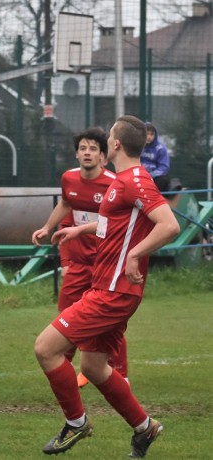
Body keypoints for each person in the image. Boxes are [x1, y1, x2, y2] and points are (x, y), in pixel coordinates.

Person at [34, 115, 180, 457]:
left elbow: (169, 225)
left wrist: (135, 255)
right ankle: (145, 428)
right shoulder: (122, 181)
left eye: (108, 134)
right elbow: (114, 222)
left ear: (114, 144)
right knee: (94, 367)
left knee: (46, 349)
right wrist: (78, 230)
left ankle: (76, 423)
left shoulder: (136, 181)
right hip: (107, 286)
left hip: (113, 292)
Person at [31, 127, 126, 389]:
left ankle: (120, 373)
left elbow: (115, 222)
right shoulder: (69, 179)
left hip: (104, 261)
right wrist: (47, 227)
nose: (87, 153)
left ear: (103, 158)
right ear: (76, 154)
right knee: (67, 313)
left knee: (108, 320)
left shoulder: (113, 184)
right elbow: (65, 204)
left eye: (93, 149)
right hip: (78, 261)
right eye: (83, 148)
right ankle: (62, 364)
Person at [141, 122, 170, 192]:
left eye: (151, 134)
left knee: (162, 181)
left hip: (155, 177)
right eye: (147, 134)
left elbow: (164, 167)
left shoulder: (161, 149)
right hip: (139, 175)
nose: (149, 137)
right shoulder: (137, 146)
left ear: (155, 135)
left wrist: (152, 175)